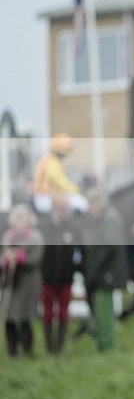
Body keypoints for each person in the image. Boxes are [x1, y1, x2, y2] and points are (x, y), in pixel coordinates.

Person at [82, 188, 129, 352]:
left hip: (107, 272)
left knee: (104, 309)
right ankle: (104, 342)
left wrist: (94, 268)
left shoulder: (108, 219)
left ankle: (107, 343)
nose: (89, 209)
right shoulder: (106, 218)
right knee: (103, 308)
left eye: (90, 204)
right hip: (106, 271)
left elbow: (108, 247)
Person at [39, 193, 83, 354]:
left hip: (66, 277)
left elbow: (80, 252)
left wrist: (76, 269)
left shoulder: (73, 227)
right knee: (48, 312)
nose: (61, 211)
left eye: (64, 208)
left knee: (64, 312)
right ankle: (50, 347)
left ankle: (60, 346)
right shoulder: (43, 227)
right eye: (58, 208)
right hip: (47, 278)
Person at [1, 204, 44, 357]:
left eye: (22, 219)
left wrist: (20, 258)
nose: (19, 222)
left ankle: (27, 349)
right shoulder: (7, 237)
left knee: (25, 317)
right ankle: (12, 350)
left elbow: (35, 258)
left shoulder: (35, 237)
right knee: (9, 317)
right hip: (10, 283)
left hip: (28, 283)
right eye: (16, 219)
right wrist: (6, 259)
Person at [31, 133, 86, 214]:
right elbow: (60, 182)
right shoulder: (52, 162)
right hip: (44, 198)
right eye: (67, 150)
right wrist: (76, 189)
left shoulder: (49, 160)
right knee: (81, 203)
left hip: (46, 196)